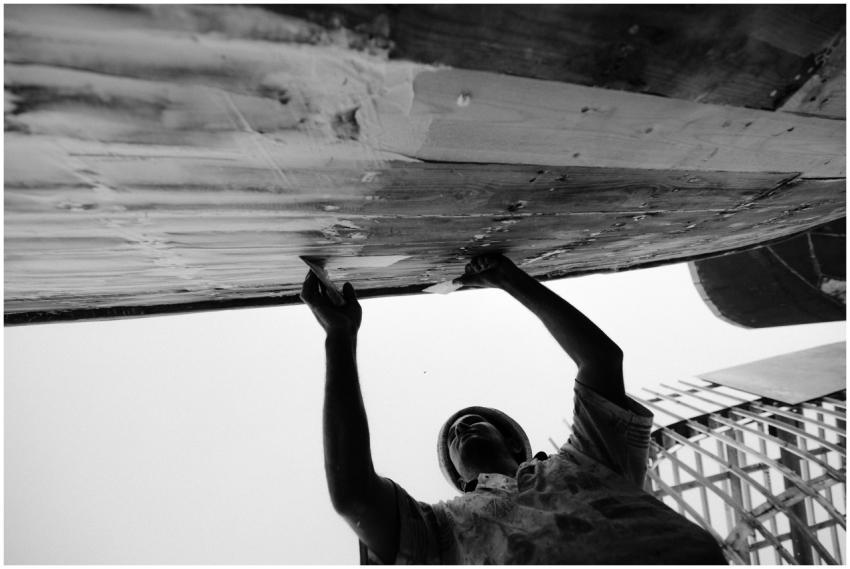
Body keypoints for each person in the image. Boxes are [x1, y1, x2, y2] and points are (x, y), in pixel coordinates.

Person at [300, 253, 727, 564]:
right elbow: (354, 497)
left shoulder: (587, 461)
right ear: (455, 470)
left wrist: (512, 280)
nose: (461, 429)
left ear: (510, 441)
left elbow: (601, 360)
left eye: (471, 423)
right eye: (453, 435)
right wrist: (339, 335)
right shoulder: (436, 531)